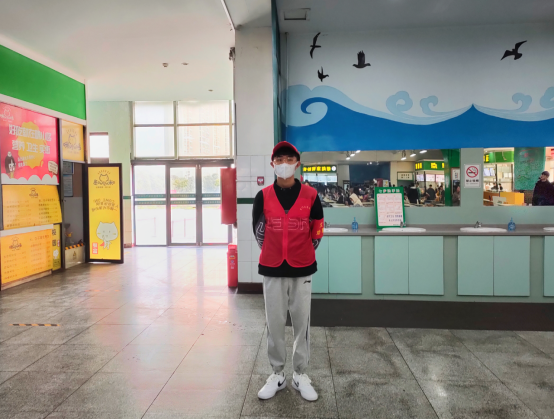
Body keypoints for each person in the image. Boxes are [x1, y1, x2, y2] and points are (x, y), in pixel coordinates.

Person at [253, 141, 323, 402]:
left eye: (289, 159)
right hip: (272, 269)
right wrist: (276, 253)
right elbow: (259, 232)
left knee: (302, 324)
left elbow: (317, 232)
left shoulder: (311, 196)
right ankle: (278, 374)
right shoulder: (262, 196)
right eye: (279, 159)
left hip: (302, 269)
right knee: (274, 323)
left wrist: (299, 253)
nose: (284, 164)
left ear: (297, 164)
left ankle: (300, 374)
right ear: (273, 164)